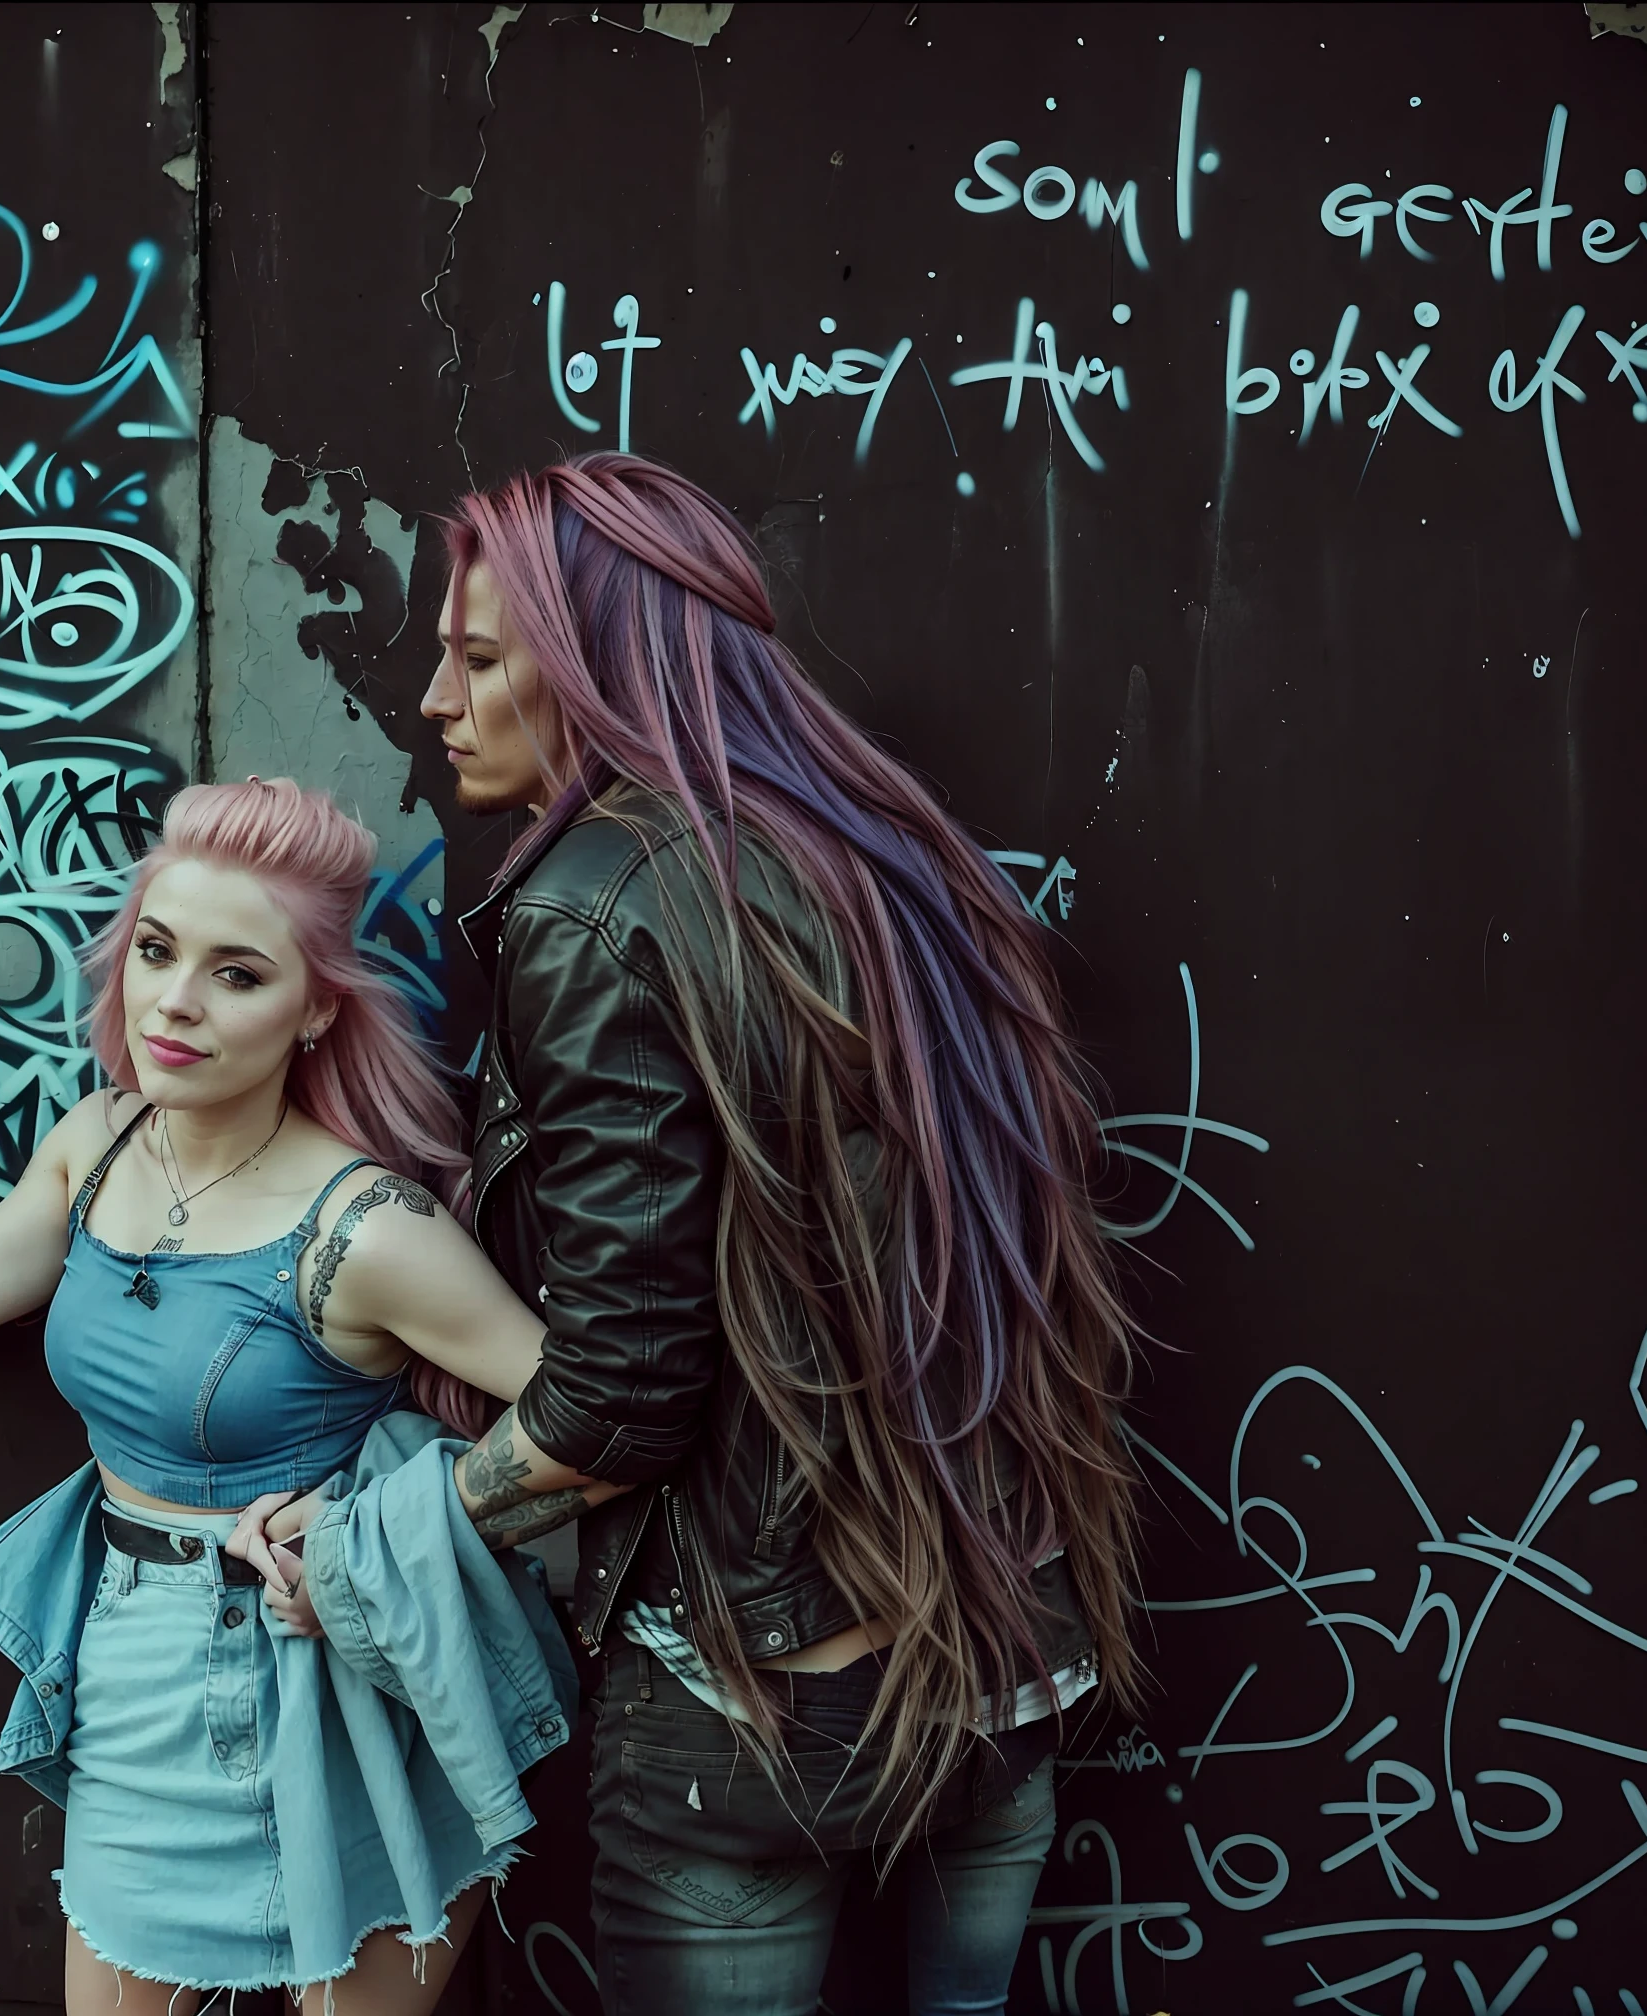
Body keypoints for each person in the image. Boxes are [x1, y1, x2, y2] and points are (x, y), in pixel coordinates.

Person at [244, 454, 1150, 2016]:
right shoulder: (893, 857)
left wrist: (374, 1542)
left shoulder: (595, 902)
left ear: (596, 664)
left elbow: (620, 1395)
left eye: (475, 659)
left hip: (755, 1698)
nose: (433, 703)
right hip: (1006, 1649)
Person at [0, 778, 574, 2012]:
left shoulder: (364, 1228)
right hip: (139, 1661)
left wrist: (374, 1537)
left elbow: (592, 1410)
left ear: (315, 1011)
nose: (175, 1003)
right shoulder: (97, 1144)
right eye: (155, 951)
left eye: (238, 974)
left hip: (341, 1685)